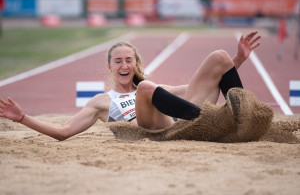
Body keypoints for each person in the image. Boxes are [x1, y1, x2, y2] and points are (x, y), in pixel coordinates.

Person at [0, 31, 261, 141]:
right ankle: (211, 120)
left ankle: (241, 118)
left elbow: (205, 85)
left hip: (181, 123)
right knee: (148, 88)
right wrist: (22, 118)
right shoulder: (101, 102)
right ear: (110, 67)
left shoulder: (157, 90)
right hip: (154, 135)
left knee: (219, 57)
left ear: (135, 64)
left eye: (129, 60)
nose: (124, 65)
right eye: (118, 61)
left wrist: (238, 60)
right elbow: (63, 131)